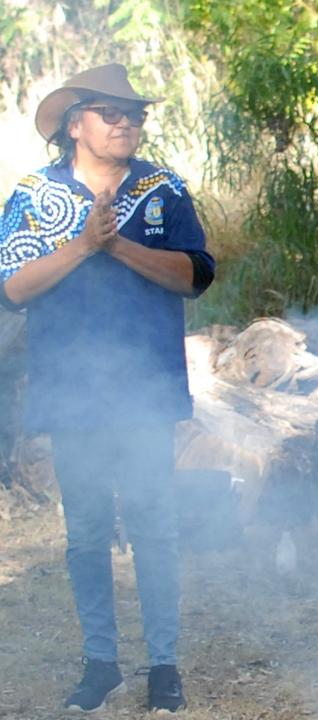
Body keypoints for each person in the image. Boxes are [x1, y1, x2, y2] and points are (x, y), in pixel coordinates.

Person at [0, 64, 216, 712]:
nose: (127, 122)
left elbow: (195, 274)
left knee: (154, 525)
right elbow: (10, 287)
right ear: (76, 124)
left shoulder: (162, 189)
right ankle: (100, 662)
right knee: (87, 532)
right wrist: (82, 246)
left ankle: (164, 666)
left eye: (135, 113)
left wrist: (117, 246)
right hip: (72, 392)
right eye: (110, 111)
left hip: (145, 389)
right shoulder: (35, 195)